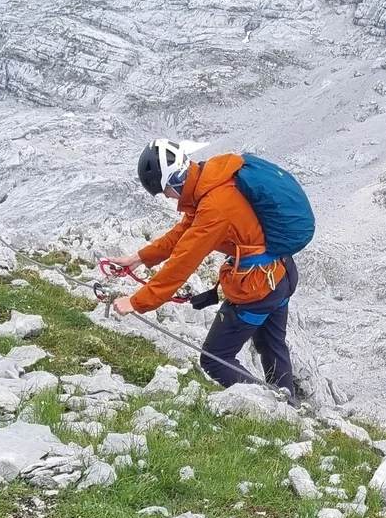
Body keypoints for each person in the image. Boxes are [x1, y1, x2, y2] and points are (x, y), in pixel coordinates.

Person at [105, 140, 301, 399]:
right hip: (281, 272)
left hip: (258, 287)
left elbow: (183, 261)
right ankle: (288, 403)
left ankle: (270, 404)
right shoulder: (211, 178)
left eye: (165, 191)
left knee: (215, 357)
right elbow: (182, 233)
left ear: (173, 180)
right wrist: (139, 258)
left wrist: (136, 302)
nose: (167, 197)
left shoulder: (214, 207)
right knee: (271, 344)